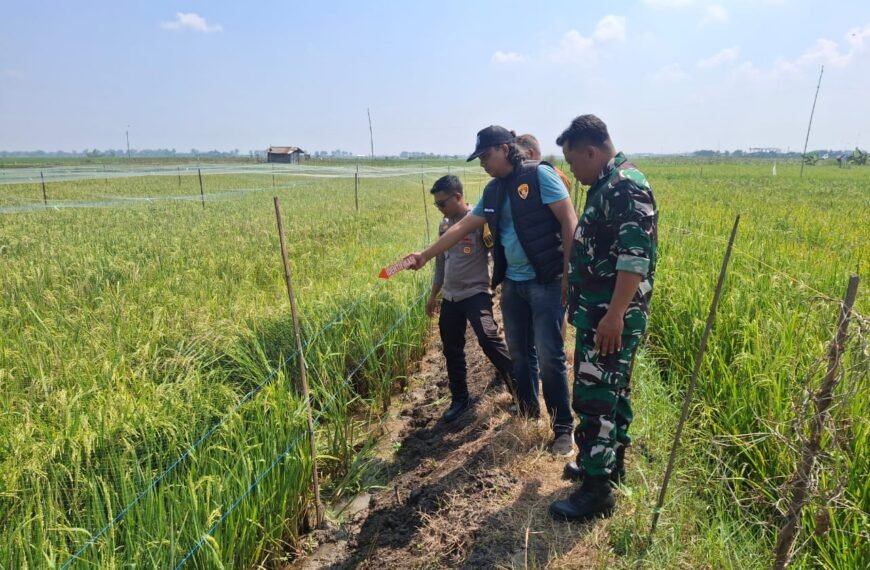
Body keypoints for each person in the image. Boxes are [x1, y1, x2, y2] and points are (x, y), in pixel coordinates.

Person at [409, 125, 578, 456]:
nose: (483, 163)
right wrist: (425, 255)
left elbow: (569, 221)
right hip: (513, 284)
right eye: (480, 158)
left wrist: (568, 274)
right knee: (520, 353)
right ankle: (528, 409)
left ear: (504, 148)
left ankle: (562, 430)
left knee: (549, 355)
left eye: (486, 156)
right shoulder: (493, 191)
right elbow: (461, 227)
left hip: (545, 280)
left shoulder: (539, 175)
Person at [549, 115, 658, 522]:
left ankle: (596, 493)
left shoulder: (625, 186)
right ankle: (607, 467)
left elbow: (635, 259)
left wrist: (614, 315)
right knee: (612, 395)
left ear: (590, 151)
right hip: (599, 313)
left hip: (609, 318)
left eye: (573, 161)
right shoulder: (607, 184)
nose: (573, 172)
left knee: (595, 400)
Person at [426, 175, 515, 423]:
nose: (440, 209)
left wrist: (501, 285)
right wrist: (434, 294)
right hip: (451, 296)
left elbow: (497, 252)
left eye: (442, 203)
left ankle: (519, 390)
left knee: (488, 339)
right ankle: (460, 399)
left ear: (457, 197)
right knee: (452, 349)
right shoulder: (444, 226)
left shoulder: (479, 221)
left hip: (476, 292)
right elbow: (440, 263)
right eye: (436, 205)